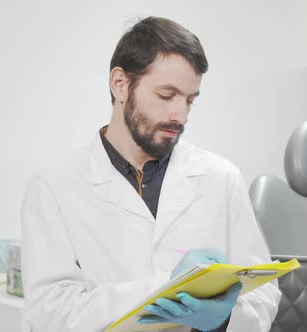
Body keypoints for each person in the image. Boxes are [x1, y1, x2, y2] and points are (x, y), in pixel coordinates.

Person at [21, 16, 280, 332]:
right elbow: (50, 315)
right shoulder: (53, 189)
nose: (180, 116)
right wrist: (163, 289)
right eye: (166, 95)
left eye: (189, 100)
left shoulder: (221, 178)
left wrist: (223, 321)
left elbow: (264, 294)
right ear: (120, 84)